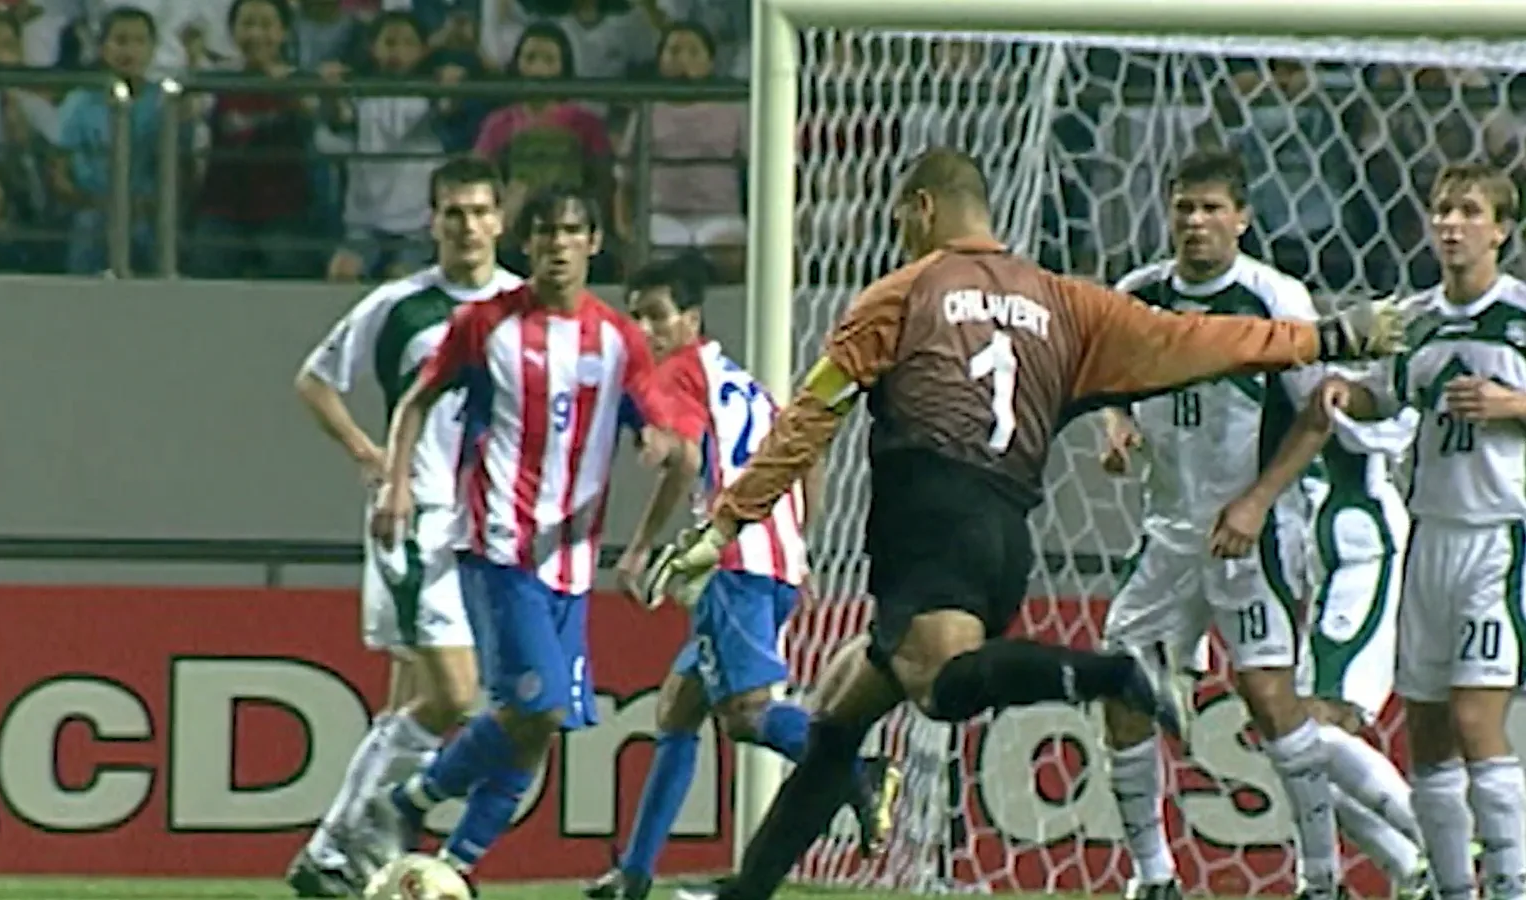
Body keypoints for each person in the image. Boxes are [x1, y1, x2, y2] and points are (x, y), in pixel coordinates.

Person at [651, 147, 1408, 900]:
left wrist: (723, 526)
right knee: (838, 718)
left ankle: (1116, 673)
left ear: (921, 209)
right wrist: (1331, 335)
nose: (896, 232)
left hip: (931, 521)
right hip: (1006, 531)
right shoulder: (1067, 301)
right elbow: (1200, 341)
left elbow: (809, 418)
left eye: (897, 217)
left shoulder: (900, 295)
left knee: (941, 688)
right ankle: (746, 890)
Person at [1096, 148, 1424, 900]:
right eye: (1184, 206)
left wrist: (1255, 501)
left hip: (1256, 533)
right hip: (1169, 533)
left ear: (1242, 217)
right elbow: (1105, 379)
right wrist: (1114, 424)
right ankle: (1152, 877)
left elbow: (1319, 413)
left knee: (1274, 701)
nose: (1196, 222)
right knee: (1123, 688)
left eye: (1212, 208)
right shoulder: (1137, 294)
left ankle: (1321, 878)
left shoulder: (1275, 299)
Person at [349, 185, 684, 889]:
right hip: (499, 548)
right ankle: (407, 799)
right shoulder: (485, 325)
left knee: (534, 732)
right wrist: (400, 481)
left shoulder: (618, 339)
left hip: (573, 562)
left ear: (594, 242)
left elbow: (658, 423)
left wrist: (658, 443)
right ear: (525, 244)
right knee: (538, 707)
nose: (558, 244)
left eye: (572, 230)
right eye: (544, 232)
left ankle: (455, 868)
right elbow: (417, 401)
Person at [1245, 161, 1526, 900]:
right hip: (1429, 536)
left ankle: (1512, 887)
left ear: (1502, 230)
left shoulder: (1522, 315)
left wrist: (1511, 405)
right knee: (1426, 733)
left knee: (1475, 716)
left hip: (1499, 537)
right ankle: (1451, 890)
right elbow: (1389, 394)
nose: (1452, 223)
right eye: (1442, 209)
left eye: (1470, 210)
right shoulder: (1420, 317)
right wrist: (1349, 393)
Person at [584, 259, 897, 900]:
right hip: (773, 560)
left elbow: (685, 456)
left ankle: (858, 770)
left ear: (691, 319)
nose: (646, 328)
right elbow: (806, 457)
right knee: (678, 707)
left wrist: (641, 547)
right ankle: (634, 875)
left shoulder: (677, 373)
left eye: (658, 314)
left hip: (732, 562)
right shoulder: (745, 384)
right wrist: (796, 545)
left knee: (746, 715)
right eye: (637, 315)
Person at [285, 155, 521, 898]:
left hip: (493, 530)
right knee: (454, 697)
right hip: (416, 518)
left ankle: (356, 859)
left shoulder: (527, 305)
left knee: (409, 704)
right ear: (433, 221)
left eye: (481, 211)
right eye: (454, 212)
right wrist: (368, 453)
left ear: (500, 219)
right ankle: (342, 844)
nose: (469, 226)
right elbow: (314, 380)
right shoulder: (400, 305)